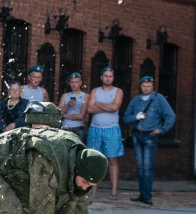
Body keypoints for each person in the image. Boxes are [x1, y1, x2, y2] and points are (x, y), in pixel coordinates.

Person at [8, 102, 88, 214]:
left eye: (41, 126)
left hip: (67, 209)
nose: (36, 131)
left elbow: (82, 196)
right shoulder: (28, 143)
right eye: (33, 126)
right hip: (43, 203)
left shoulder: (71, 146)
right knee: (10, 200)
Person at [124, 76, 176, 206]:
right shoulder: (136, 101)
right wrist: (135, 117)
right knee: (140, 167)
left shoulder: (158, 99)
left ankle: (147, 196)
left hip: (150, 136)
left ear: (152, 86)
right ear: (140, 86)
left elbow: (171, 116)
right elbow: (126, 117)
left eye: (149, 86)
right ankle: (142, 194)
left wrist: (162, 130)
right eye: (144, 86)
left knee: (147, 167)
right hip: (137, 135)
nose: (146, 88)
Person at [87, 66, 124, 200]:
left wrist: (98, 103)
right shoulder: (95, 91)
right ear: (101, 77)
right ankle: (94, 191)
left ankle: (114, 192)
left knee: (112, 160)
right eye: (106, 76)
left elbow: (115, 107)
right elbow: (90, 109)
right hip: (95, 128)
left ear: (113, 78)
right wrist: (107, 107)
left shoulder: (118, 91)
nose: (108, 78)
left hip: (112, 128)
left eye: (110, 76)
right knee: (95, 160)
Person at [58, 72, 89, 141]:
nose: (74, 84)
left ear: (80, 83)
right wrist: (68, 105)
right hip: (65, 128)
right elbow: (58, 112)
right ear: (69, 83)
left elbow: (81, 116)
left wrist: (65, 116)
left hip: (78, 128)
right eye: (72, 82)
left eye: (76, 82)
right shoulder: (65, 95)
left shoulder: (85, 96)